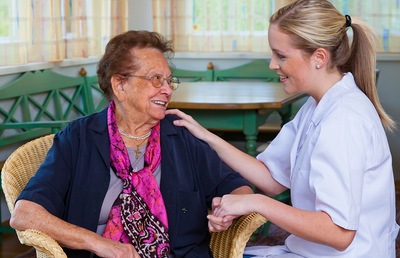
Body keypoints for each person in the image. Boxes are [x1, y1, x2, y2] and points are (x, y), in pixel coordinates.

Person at [166, 0, 399, 257]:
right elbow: (272, 178)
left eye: (282, 56)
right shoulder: (317, 105)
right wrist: (205, 135)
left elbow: (339, 233)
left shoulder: (343, 121)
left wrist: (254, 202)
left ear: (319, 57)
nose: (272, 64)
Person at [10, 30, 253, 258]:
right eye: (156, 80)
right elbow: (25, 214)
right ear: (120, 85)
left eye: (169, 81)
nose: (167, 90)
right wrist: (101, 244)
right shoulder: (78, 138)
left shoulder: (180, 134)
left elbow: (238, 187)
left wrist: (226, 209)